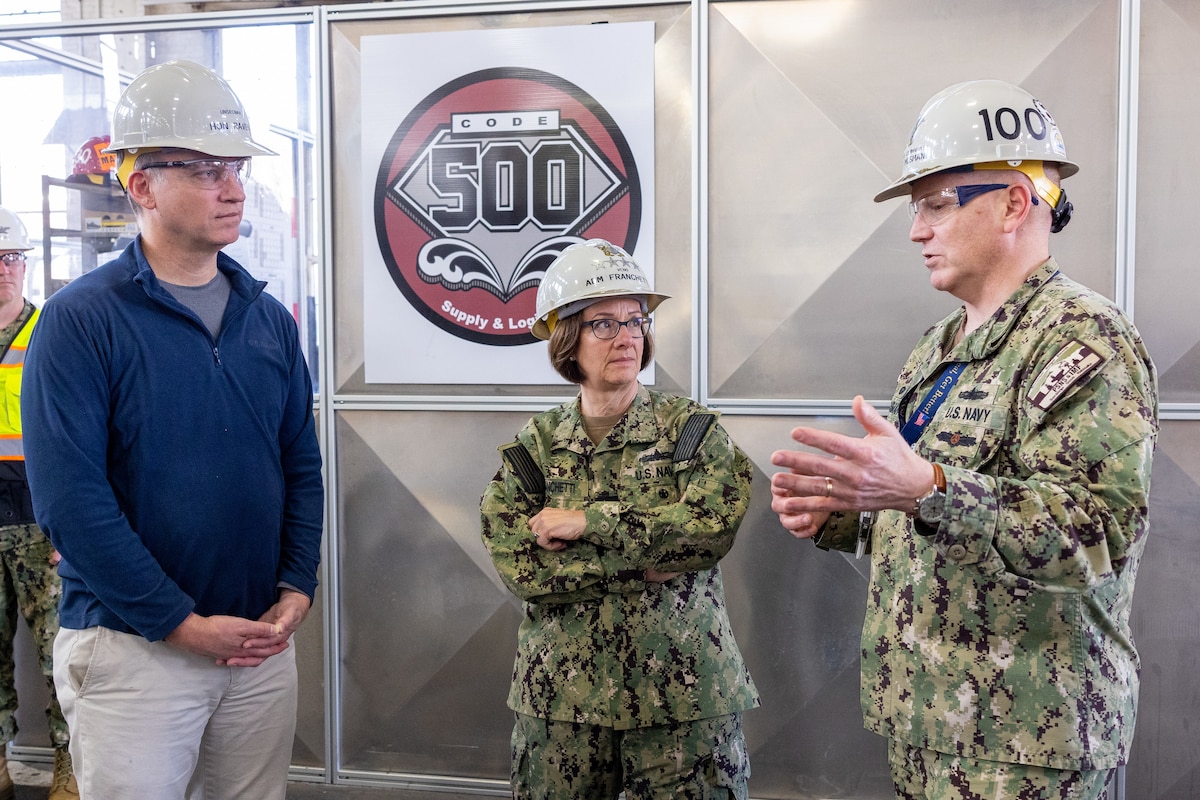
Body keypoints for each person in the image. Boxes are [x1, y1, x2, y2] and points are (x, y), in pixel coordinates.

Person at [769, 79, 1158, 799]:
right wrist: (846, 513)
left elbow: (1098, 536)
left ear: (1013, 201)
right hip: (927, 727)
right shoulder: (938, 347)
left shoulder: (1083, 338)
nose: (917, 229)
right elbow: (927, 517)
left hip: (1029, 749)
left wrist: (931, 488)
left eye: (935, 204)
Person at [20, 59, 324, 799]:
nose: (233, 187)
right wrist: (180, 623)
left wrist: (296, 583)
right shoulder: (83, 321)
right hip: (134, 653)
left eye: (236, 168)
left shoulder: (265, 317)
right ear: (142, 186)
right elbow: (71, 500)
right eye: (205, 169)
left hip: (256, 646)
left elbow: (300, 466)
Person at [480, 239, 759, 799]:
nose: (628, 335)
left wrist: (589, 525)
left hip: (680, 704)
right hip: (562, 707)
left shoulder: (691, 432)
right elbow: (521, 568)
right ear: (567, 338)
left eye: (636, 319)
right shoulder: (533, 449)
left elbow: (707, 532)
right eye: (604, 324)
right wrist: (644, 561)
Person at [0, 207, 76, 799]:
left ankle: (70, 767)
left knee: (62, 656)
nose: (2, 271)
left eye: (10, 259)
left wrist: (69, 531)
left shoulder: (53, 332)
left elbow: (81, 435)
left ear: (24, 265)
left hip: (39, 522)